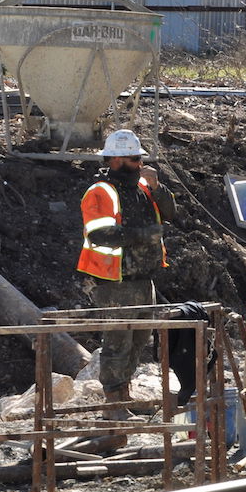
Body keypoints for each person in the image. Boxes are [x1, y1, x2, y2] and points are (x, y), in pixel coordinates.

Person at [77, 129, 176, 419]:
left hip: (143, 278)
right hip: (115, 281)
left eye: (139, 158)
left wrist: (158, 188)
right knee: (118, 341)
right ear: (116, 160)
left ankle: (125, 397)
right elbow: (100, 235)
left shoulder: (143, 187)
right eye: (134, 159)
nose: (139, 164)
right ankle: (112, 405)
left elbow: (170, 212)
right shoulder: (100, 192)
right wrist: (144, 235)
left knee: (139, 339)